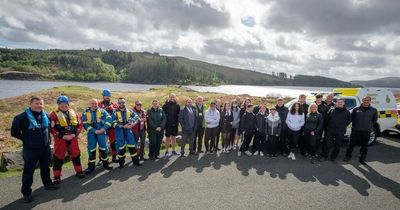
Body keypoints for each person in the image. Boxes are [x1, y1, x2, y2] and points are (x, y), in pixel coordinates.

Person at [11, 96, 59, 203]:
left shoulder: (46, 115)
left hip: (45, 148)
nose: (39, 106)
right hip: (31, 149)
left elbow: (49, 128)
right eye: (36, 103)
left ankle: (48, 184)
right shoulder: (21, 117)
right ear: (30, 104)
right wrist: (26, 139)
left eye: (41, 104)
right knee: (29, 171)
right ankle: (26, 193)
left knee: (46, 168)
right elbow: (14, 132)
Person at [49, 96, 85, 185]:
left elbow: (80, 126)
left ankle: (79, 171)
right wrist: (62, 136)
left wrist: (74, 134)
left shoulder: (75, 114)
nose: (63, 105)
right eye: (61, 104)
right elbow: (51, 128)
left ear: (68, 104)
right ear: (58, 104)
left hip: (73, 138)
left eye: (65, 104)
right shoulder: (53, 115)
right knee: (58, 157)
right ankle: (57, 177)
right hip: (60, 139)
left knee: (76, 155)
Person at [82, 98, 113, 174]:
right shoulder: (85, 112)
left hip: (101, 133)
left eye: (95, 103)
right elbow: (85, 124)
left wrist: (104, 128)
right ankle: (91, 167)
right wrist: (94, 130)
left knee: (104, 148)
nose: (94, 105)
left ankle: (106, 164)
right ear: (89, 104)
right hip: (92, 134)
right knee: (91, 150)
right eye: (92, 103)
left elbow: (109, 119)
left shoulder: (102, 111)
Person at [344, 96, 378, 165]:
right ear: (362, 100)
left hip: (366, 131)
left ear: (370, 101)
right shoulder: (356, 109)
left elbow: (374, 120)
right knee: (351, 144)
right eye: (364, 100)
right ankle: (348, 156)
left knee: (364, 146)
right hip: (356, 130)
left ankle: (362, 158)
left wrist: (369, 127)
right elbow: (351, 118)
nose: (366, 101)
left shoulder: (373, 110)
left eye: (367, 100)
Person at [112, 98, 142, 168]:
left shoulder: (129, 111)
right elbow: (113, 123)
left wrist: (133, 123)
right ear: (118, 103)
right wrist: (122, 126)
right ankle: (121, 162)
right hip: (120, 132)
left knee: (132, 146)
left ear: (125, 103)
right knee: (121, 148)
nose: (121, 104)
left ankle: (136, 161)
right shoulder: (115, 112)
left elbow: (137, 117)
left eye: (123, 102)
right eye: (120, 102)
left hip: (129, 131)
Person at [323, 98, 351, 162]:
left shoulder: (347, 112)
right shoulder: (331, 110)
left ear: (344, 103)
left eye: (341, 102)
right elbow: (326, 120)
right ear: (336, 103)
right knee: (327, 144)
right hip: (330, 131)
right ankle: (325, 156)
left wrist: (341, 126)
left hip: (340, 131)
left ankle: (333, 157)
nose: (339, 103)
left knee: (337, 145)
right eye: (338, 102)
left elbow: (348, 121)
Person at [98, 89, 119, 163]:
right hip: (103, 127)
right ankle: (101, 159)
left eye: (108, 96)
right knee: (102, 142)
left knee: (113, 142)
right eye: (105, 96)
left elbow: (118, 115)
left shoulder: (114, 105)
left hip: (112, 127)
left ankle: (114, 157)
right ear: (103, 96)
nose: (107, 97)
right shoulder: (99, 104)